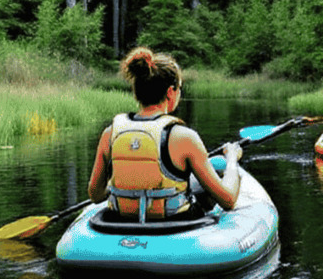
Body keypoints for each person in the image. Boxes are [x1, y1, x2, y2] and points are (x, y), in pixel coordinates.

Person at [88, 47, 243, 219]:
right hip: (172, 224)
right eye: (179, 88)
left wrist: (122, 187)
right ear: (170, 92)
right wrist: (231, 159)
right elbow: (228, 200)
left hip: (121, 220)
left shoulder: (109, 134)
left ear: (136, 92)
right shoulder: (185, 137)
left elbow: (95, 195)